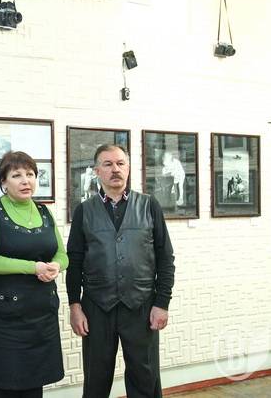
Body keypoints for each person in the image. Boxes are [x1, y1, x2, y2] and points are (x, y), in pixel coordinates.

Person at [66, 144, 175, 398]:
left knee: (145, 378)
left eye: (120, 163)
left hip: (141, 305)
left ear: (128, 168)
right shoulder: (84, 210)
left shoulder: (149, 205)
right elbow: (75, 261)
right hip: (96, 307)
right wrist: (74, 305)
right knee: (96, 380)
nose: (115, 169)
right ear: (97, 171)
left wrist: (162, 303)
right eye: (108, 164)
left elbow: (165, 258)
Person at [0, 151, 68, 398]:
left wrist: (56, 266)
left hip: (42, 313)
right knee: (9, 384)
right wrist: (34, 267)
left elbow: (62, 254)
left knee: (35, 383)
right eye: (17, 175)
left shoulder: (44, 212)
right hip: (6, 316)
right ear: (3, 182)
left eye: (30, 174)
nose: (26, 180)